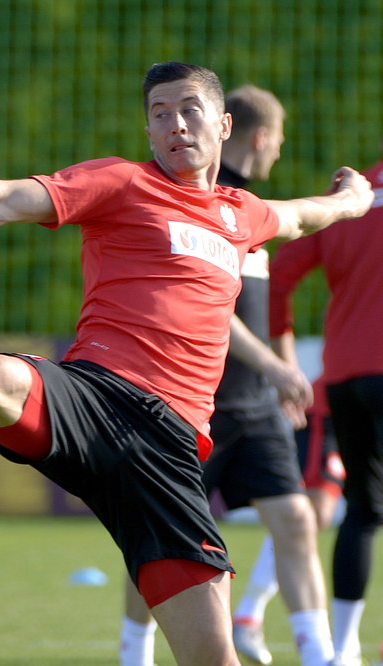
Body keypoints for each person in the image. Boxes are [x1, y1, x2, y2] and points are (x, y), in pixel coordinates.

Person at [0, 62, 373, 666]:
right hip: (97, 396)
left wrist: (352, 200)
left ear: (224, 125)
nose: (175, 124)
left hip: (171, 452)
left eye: (189, 110)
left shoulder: (240, 214)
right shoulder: (121, 183)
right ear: (148, 131)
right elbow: (0, 200)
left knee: (213, 656)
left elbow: (304, 215)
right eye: (160, 114)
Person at [117, 84, 334, 666]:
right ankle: (132, 652)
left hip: (255, 402)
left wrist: (279, 366)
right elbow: (208, 309)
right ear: (257, 136)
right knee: (162, 540)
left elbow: (264, 304)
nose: (280, 152)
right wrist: (271, 363)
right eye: (280, 141)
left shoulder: (250, 207)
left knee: (295, 518)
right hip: (194, 401)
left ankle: (323, 657)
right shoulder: (201, 200)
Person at [270, 141, 383, 666]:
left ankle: (345, 649)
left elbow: (277, 274)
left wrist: (285, 355)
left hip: (343, 375)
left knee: (361, 510)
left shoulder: (351, 194)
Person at [230, 377, 347, 664]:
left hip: (363, 408)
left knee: (315, 518)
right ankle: (249, 617)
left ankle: (248, 617)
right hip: (330, 404)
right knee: (309, 513)